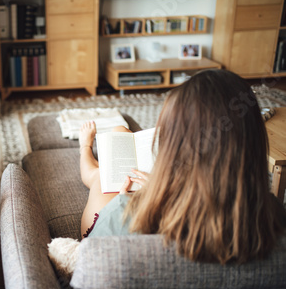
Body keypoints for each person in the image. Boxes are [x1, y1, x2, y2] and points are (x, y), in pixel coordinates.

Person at [78, 69, 286, 264]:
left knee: (102, 173)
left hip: (121, 216)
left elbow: (85, 262)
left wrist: (145, 199)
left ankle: (85, 146)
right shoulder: (273, 217)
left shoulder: (125, 216)